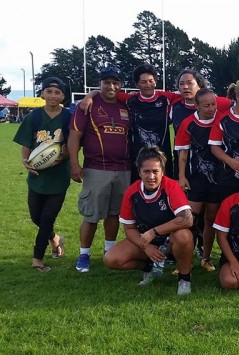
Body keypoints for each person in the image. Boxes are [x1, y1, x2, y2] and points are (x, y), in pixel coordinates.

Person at [103, 146, 194, 295]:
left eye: (155, 171)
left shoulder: (171, 186)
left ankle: (184, 278)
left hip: (171, 241)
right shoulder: (131, 192)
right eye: (146, 171)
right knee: (111, 259)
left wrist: (154, 232)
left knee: (184, 236)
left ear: (162, 172)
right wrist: (146, 247)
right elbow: (129, 229)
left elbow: (187, 219)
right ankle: (150, 267)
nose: (151, 176)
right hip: (146, 240)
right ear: (139, 172)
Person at [68, 66, 131, 273]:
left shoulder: (125, 104)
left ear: (120, 85)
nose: (111, 86)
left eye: (115, 83)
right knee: (92, 215)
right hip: (96, 168)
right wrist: (74, 164)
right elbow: (75, 136)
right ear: (100, 84)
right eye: (106, 82)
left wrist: (91, 93)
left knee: (114, 214)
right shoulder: (88, 105)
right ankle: (84, 254)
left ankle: (108, 250)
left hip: (123, 168)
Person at [78, 64, 183, 180]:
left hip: (162, 159)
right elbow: (108, 92)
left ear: (155, 82)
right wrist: (90, 95)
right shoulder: (130, 100)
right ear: (137, 84)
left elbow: (189, 95)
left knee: (163, 194)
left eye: (150, 81)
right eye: (143, 82)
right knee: (138, 194)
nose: (147, 85)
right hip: (137, 159)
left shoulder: (166, 98)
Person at [13, 77, 71, 272]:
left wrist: (64, 155)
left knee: (47, 218)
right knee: (36, 216)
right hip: (37, 176)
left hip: (59, 177)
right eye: (49, 91)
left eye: (57, 92)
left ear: (63, 95)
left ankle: (37, 257)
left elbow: (74, 144)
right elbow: (26, 144)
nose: (53, 95)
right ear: (42, 93)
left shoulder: (68, 117)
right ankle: (55, 239)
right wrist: (25, 160)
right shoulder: (34, 117)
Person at [175, 88, 221, 272]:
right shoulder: (188, 123)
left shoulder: (222, 118)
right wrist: (181, 176)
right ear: (197, 105)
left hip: (218, 178)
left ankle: (206, 257)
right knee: (189, 219)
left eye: (213, 104)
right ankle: (183, 260)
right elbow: (183, 153)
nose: (211, 108)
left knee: (211, 219)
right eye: (206, 105)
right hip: (196, 178)